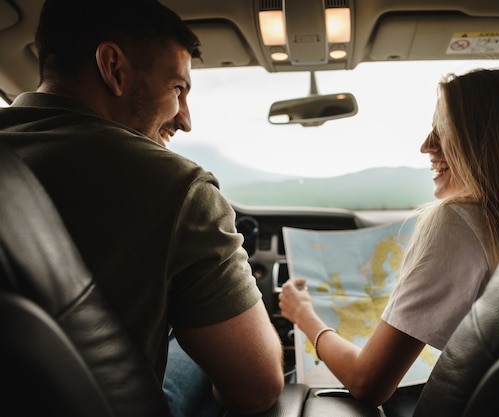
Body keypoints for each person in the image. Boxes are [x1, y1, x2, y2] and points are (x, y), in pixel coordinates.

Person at [0, 0, 285, 415]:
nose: (185, 119)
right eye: (177, 88)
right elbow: (258, 387)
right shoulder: (178, 186)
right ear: (113, 67)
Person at [278, 68, 499, 415]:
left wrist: (305, 318)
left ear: (484, 141)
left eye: (445, 129)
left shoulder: (457, 221)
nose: (426, 145)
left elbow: (368, 383)